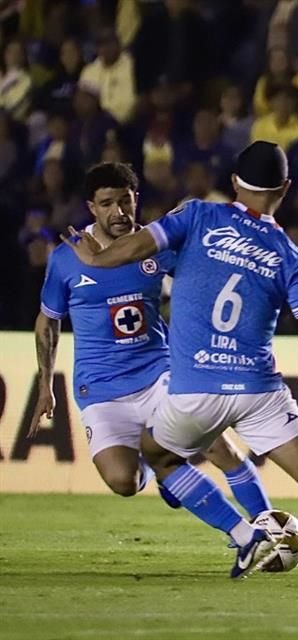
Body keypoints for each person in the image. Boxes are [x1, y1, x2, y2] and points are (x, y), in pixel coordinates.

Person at [61, 143, 298, 584]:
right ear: (285, 189)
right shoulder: (290, 255)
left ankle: (243, 533)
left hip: (198, 388)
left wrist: (93, 258)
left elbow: (128, 250)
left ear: (235, 183)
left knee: (157, 455)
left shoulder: (197, 216)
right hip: (260, 389)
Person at [30, 162, 271, 518]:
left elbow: (204, 287)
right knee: (123, 482)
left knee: (218, 447)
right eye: (108, 203)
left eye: (125, 202)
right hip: (102, 386)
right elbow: (47, 324)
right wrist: (45, 387)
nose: (119, 212)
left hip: (161, 372)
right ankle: (163, 472)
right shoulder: (67, 257)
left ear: (136, 200)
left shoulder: (156, 246)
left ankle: (267, 525)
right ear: (91, 208)